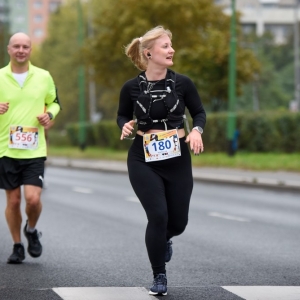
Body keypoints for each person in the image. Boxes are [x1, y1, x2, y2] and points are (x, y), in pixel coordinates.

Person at [117, 26, 206, 296]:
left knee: (177, 223)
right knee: (157, 215)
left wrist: (196, 131)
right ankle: (159, 276)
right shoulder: (131, 87)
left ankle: (166, 238)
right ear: (149, 53)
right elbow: (121, 115)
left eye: (171, 45)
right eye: (166, 46)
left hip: (177, 157)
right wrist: (124, 126)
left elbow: (199, 112)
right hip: (142, 158)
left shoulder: (183, 83)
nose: (171, 50)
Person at [0, 32, 61, 264]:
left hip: (34, 149)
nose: (21, 50)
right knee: (14, 201)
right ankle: (17, 245)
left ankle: (32, 229)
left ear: (31, 50)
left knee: (33, 199)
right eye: (16, 46)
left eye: (25, 46)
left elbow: (54, 103)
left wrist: (49, 115)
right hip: (6, 149)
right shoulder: (0, 76)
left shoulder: (43, 76)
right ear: (9, 49)